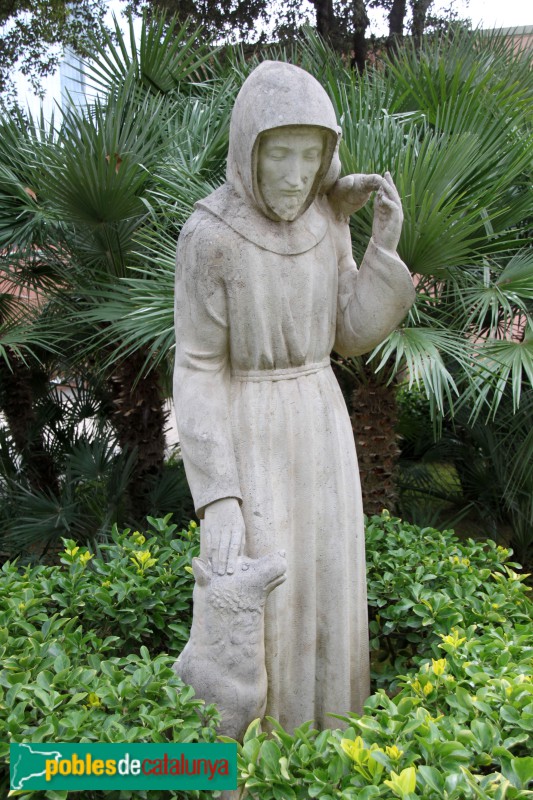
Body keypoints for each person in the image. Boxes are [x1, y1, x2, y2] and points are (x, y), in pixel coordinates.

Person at [173, 60, 415, 732]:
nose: (294, 174)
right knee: (267, 594)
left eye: (310, 156)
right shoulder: (210, 235)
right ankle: (263, 750)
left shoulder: (326, 221)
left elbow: (349, 335)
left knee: (327, 582)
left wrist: (381, 246)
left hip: (320, 421)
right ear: (248, 149)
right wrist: (218, 496)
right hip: (250, 429)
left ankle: (331, 743)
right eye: (279, 153)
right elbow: (196, 367)